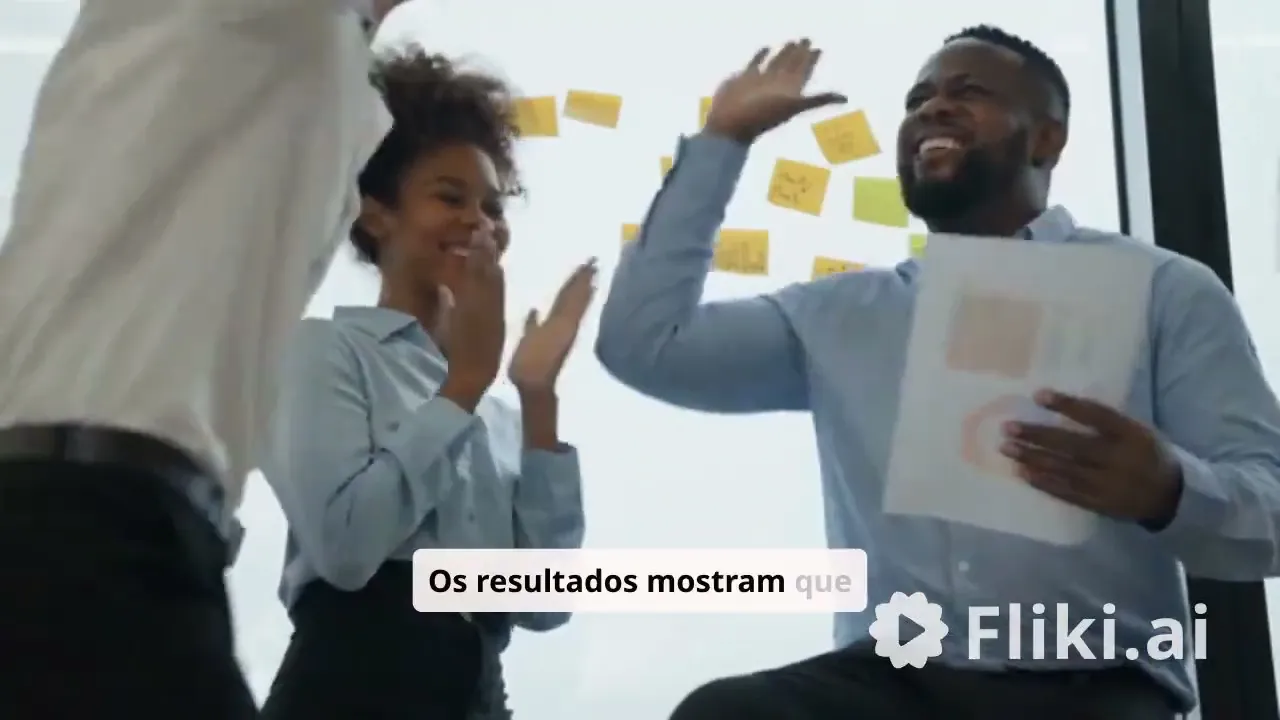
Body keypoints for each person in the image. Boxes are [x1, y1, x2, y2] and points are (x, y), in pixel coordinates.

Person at [596, 27, 1280, 720]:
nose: (932, 108)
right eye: (917, 99)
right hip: (891, 678)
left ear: (1047, 140)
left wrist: (1169, 490)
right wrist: (722, 143)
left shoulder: (1163, 291)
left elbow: (1273, 509)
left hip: (1095, 680)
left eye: (968, 92)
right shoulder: (841, 316)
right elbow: (643, 344)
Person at [0, 1, 403, 717]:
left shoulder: (321, 89)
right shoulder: (248, 28)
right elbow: (348, 548)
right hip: (85, 513)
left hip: (146, 528)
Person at [257, 48, 594, 720]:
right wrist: (462, 386)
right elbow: (346, 551)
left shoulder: (495, 410)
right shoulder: (322, 351)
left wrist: (537, 401)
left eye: (493, 207)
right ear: (376, 214)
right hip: (353, 687)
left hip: (478, 692)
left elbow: (545, 604)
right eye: (450, 197)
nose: (480, 221)